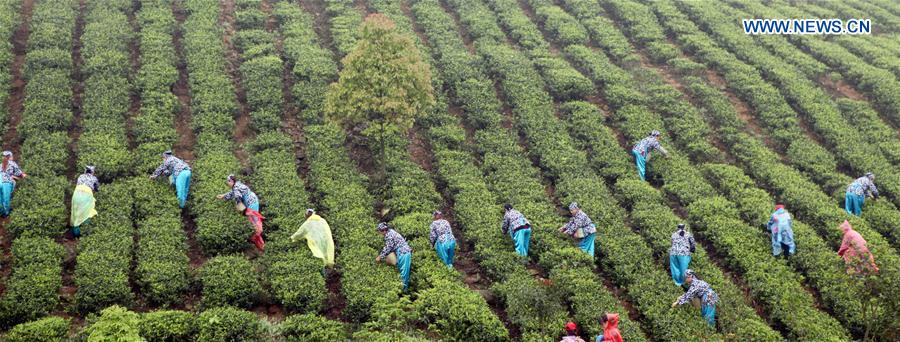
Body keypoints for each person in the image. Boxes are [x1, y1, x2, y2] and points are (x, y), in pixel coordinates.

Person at [217, 174, 265, 251]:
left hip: (251, 205)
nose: (227, 183)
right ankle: (257, 237)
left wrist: (240, 208)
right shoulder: (237, 184)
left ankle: (257, 239)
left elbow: (237, 197)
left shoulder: (236, 188)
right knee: (254, 221)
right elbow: (233, 193)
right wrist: (223, 196)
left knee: (254, 222)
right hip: (254, 200)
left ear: (232, 181)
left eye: (228, 181)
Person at [375, 222, 412, 291]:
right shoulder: (391, 232)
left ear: (383, 230)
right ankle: (403, 290)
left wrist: (380, 257)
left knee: (404, 273)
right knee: (403, 271)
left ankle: (403, 291)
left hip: (403, 253)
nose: (379, 233)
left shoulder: (389, 235)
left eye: (379, 231)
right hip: (403, 252)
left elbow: (388, 247)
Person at [70, 166, 99, 237]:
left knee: (76, 211)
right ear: (92, 172)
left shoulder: (80, 176)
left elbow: (78, 185)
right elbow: (97, 189)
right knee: (87, 212)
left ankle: (74, 231)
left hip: (76, 193)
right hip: (86, 195)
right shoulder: (94, 178)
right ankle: (83, 231)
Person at [0, 151, 26, 217]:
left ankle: (1, 210)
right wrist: (23, 175)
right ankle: (5, 213)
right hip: (5, 182)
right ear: (10, 157)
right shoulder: (12, 163)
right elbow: (19, 173)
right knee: (6, 197)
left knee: (0, 197)